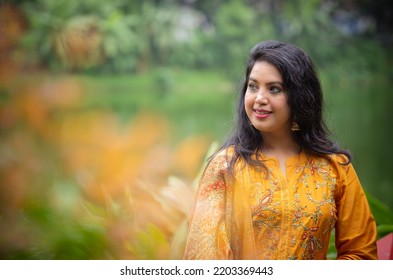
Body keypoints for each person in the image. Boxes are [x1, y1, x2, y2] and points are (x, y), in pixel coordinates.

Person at [183, 40, 378, 260]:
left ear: (300, 97)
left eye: (274, 89)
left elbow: (362, 255)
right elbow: (203, 258)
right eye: (253, 86)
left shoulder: (334, 167)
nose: (259, 99)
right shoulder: (225, 168)